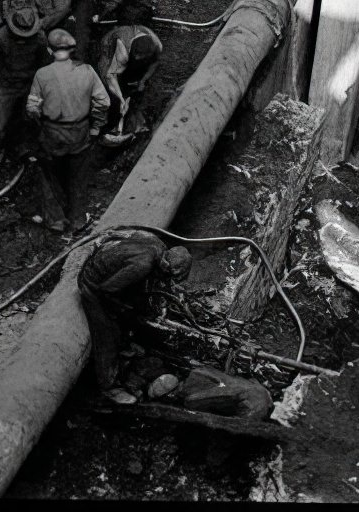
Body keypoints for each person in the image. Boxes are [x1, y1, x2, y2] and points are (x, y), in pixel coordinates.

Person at [77, 231, 192, 397]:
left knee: (131, 313)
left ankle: (126, 350)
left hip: (106, 270)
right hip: (91, 286)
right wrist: (121, 310)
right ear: (166, 267)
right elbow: (106, 290)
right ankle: (108, 384)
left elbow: (121, 236)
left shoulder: (156, 243)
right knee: (107, 336)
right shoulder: (142, 265)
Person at [26, 28, 110, 233]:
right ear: (71, 49)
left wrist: (41, 121)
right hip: (80, 131)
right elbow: (103, 102)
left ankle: (55, 220)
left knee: (48, 174)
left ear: (49, 49)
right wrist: (96, 127)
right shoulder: (88, 71)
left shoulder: (42, 75)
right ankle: (78, 220)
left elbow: (32, 108)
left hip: (53, 133)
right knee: (78, 175)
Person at [0, 0, 49, 169]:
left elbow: (45, 64)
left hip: (28, 85)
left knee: (27, 121)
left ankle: (23, 150)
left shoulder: (40, 39)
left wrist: (42, 90)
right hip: (4, 87)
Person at [97, 24, 163, 144]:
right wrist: (120, 98)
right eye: (135, 55)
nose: (137, 58)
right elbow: (110, 76)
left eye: (141, 58)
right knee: (111, 90)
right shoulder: (122, 52)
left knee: (134, 85)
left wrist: (143, 80)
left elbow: (156, 62)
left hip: (131, 56)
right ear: (132, 49)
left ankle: (127, 121)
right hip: (110, 47)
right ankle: (109, 127)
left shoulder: (157, 46)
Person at [139, 365, 273, 421]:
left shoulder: (191, 401)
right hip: (260, 389)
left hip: (255, 409)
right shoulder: (197, 371)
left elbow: (213, 417)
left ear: (170, 395)